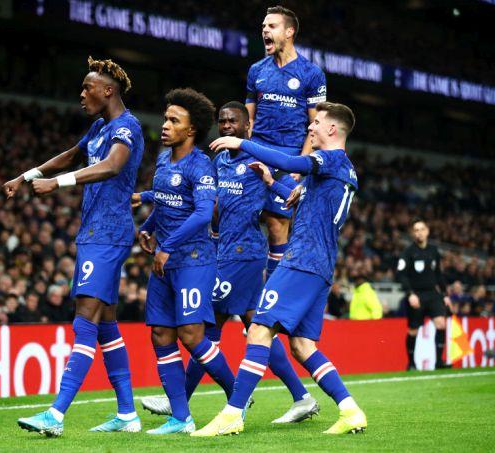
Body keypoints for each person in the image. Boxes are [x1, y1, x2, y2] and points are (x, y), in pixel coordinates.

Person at [193, 102, 366, 437]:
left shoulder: (328, 159)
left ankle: (231, 415)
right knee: (302, 346)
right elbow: (304, 202)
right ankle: (350, 409)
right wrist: (272, 183)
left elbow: (291, 162)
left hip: (301, 260)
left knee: (259, 329)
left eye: (316, 123)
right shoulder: (344, 171)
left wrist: (241, 143)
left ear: (333, 130)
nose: (310, 128)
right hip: (321, 265)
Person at [140, 101, 317, 424]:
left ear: (247, 127)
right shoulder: (218, 161)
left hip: (243, 255)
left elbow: (292, 197)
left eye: (233, 122)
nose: (226, 127)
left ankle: (181, 400)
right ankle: (301, 396)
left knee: (205, 327)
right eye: (222, 122)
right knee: (257, 326)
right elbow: (197, 197)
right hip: (222, 252)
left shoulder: (260, 159)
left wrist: (272, 184)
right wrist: (149, 200)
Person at [8, 57, 144, 436]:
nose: (82, 94)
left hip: (109, 234)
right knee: (105, 326)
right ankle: (128, 414)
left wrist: (59, 184)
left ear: (108, 90)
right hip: (94, 234)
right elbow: (71, 155)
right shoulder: (99, 127)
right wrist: (27, 175)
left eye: (88, 88)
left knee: (84, 318)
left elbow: (114, 166)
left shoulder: (126, 127)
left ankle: (55, 414)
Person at [138, 88, 236, 435]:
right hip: (165, 261)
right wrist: (147, 228)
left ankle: (236, 397)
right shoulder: (164, 159)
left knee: (192, 335)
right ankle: (181, 417)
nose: (164, 125)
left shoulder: (201, 165)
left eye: (173, 120)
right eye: (166, 118)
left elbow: (201, 215)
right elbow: (165, 203)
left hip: (194, 260)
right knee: (161, 334)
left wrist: (167, 246)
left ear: (191, 129)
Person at [245, 5, 327, 277]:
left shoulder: (311, 73)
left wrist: (301, 164)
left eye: (271, 26)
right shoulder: (257, 70)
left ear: (289, 32)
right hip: (255, 153)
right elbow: (249, 119)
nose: (265, 30)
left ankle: (273, 290)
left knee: (277, 225)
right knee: (229, 212)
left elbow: (316, 125)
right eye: (263, 27)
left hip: (289, 158)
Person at [397, 219, 452, 370]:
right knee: (413, 330)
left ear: (427, 231)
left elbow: (438, 274)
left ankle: (439, 362)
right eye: (416, 230)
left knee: (441, 323)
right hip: (416, 295)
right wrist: (410, 294)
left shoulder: (434, 251)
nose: (419, 232)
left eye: (421, 229)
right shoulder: (408, 253)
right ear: (412, 233)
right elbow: (401, 275)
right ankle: (412, 363)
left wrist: (445, 294)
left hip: (433, 294)